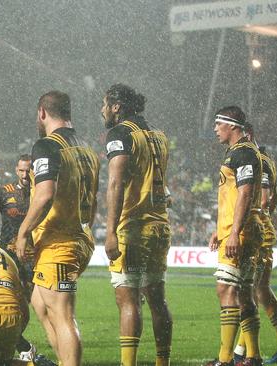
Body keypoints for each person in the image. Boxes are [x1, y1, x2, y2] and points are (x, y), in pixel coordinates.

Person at [15, 90, 100, 366]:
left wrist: (23, 232)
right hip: (79, 237)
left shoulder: (47, 146)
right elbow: (95, 199)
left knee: (63, 315)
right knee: (40, 304)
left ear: (42, 112)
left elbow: (45, 194)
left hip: (60, 243)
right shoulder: (87, 148)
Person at [102, 84, 173, 366]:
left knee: (128, 300)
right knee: (157, 300)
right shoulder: (159, 135)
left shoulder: (120, 133)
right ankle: (162, 363)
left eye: (105, 104)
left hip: (133, 227)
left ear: (117, 106)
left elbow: (117, 182)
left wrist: (110, 232)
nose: (102, 110)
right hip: (160, 226)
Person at [233, 126, 277, 364]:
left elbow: (262, 199)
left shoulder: (255, 159)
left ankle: (246, 352)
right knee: (258, 290)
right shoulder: (267, 160)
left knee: (248, 290)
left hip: (255, 231)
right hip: (262, 229)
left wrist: (247, 223)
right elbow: (275, 199)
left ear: (247, 135)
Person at [206, 106, 263, 366]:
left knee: (226, 289)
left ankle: (225, 359)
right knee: (243, 294)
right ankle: (252, 356)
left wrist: (234, 233)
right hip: (236, 231)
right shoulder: (239, 153)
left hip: (239, 233)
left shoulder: (243, 153)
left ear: (232, 126)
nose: (215, 129)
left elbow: (245, 193)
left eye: (219, 124)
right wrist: (221, 232)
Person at [0, 154, 37, 360]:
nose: (24, 174)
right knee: (9, 299)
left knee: (26, 303)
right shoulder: (4, 192)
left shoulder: (41, 192)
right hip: (8, 254)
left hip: (33, 258)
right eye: (21, 170)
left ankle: (15, 340)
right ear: (16, 170)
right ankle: (18, 343)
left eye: (28, 170)